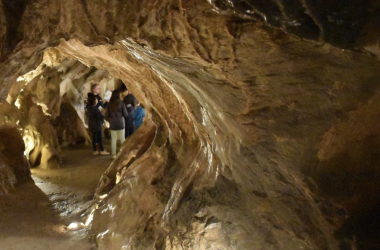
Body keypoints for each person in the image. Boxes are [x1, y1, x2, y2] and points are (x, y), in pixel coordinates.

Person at [105, 90, 128, 158]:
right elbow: (125, 114)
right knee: (122, 138)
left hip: (112, 123)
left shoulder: (109, 104)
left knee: (113, 139)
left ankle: (113, 154)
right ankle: (123, 153)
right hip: (121, 123)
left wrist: (110, 120)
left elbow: (106, 115)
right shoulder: (121, 103)